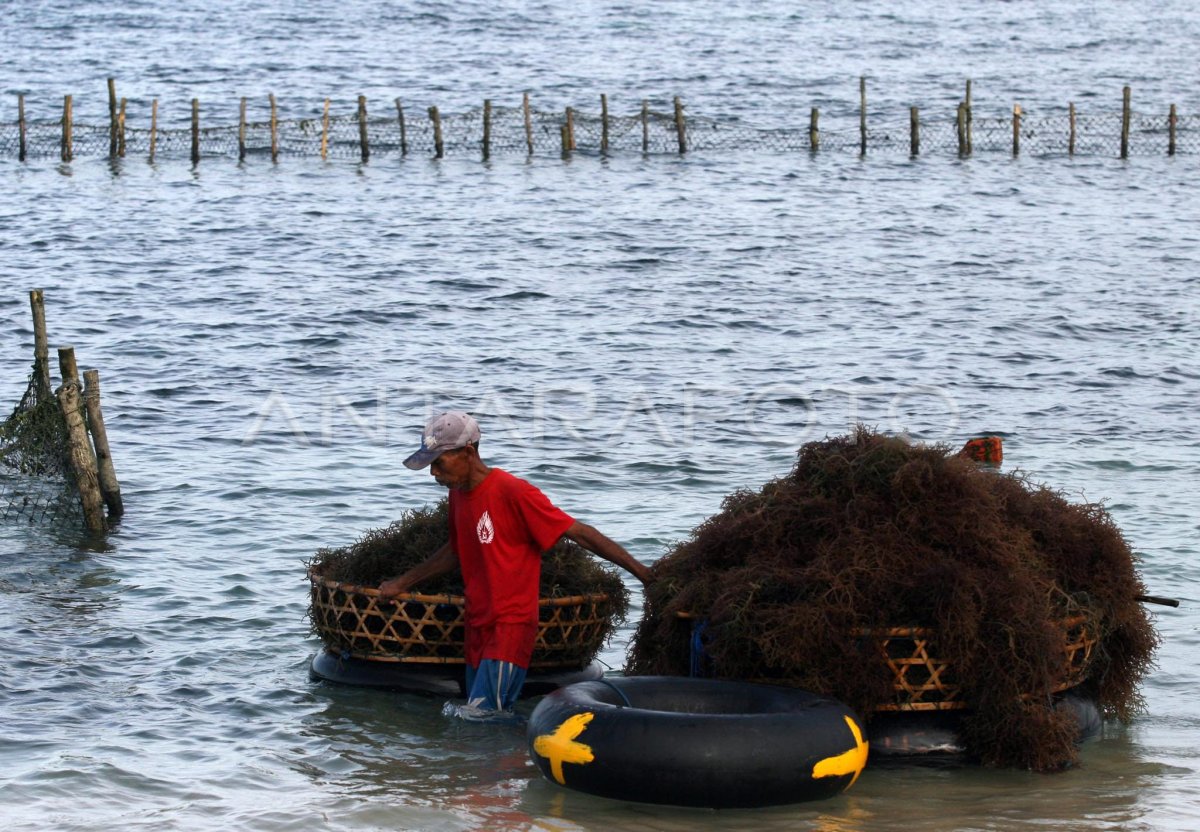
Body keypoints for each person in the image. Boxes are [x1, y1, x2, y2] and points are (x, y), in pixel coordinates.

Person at [378, 411, 652, 722]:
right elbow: (455, 551)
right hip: (477, 624)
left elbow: (580, 533)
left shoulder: (514, 492)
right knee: (481, 715)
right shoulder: (459, 495)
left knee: (481, 717)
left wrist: (643, 574)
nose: (433, 474)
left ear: (467, 452)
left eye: (439, 463)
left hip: (510, 625)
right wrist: (403, 582)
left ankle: (520, 755)